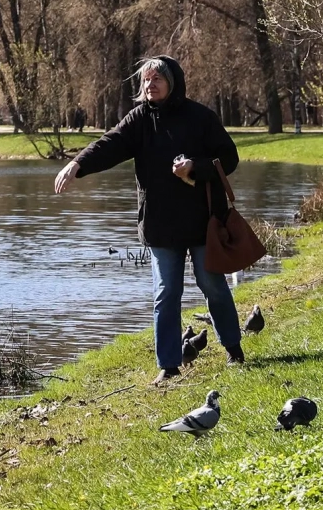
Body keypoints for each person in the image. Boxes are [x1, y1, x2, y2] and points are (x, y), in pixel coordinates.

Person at [54, 56, 243, 385]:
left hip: (203, 221)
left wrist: (195, 168)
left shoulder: (201, 117)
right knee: (166, 293)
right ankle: (169, 365)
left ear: (173, 82)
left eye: (157, 78)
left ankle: (234, 349)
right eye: (145, 80)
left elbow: (229, 158)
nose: (150, 85)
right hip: (160, 223)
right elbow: (109, 145)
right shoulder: (139, 119)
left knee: (211, 284)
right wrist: (78, 164)